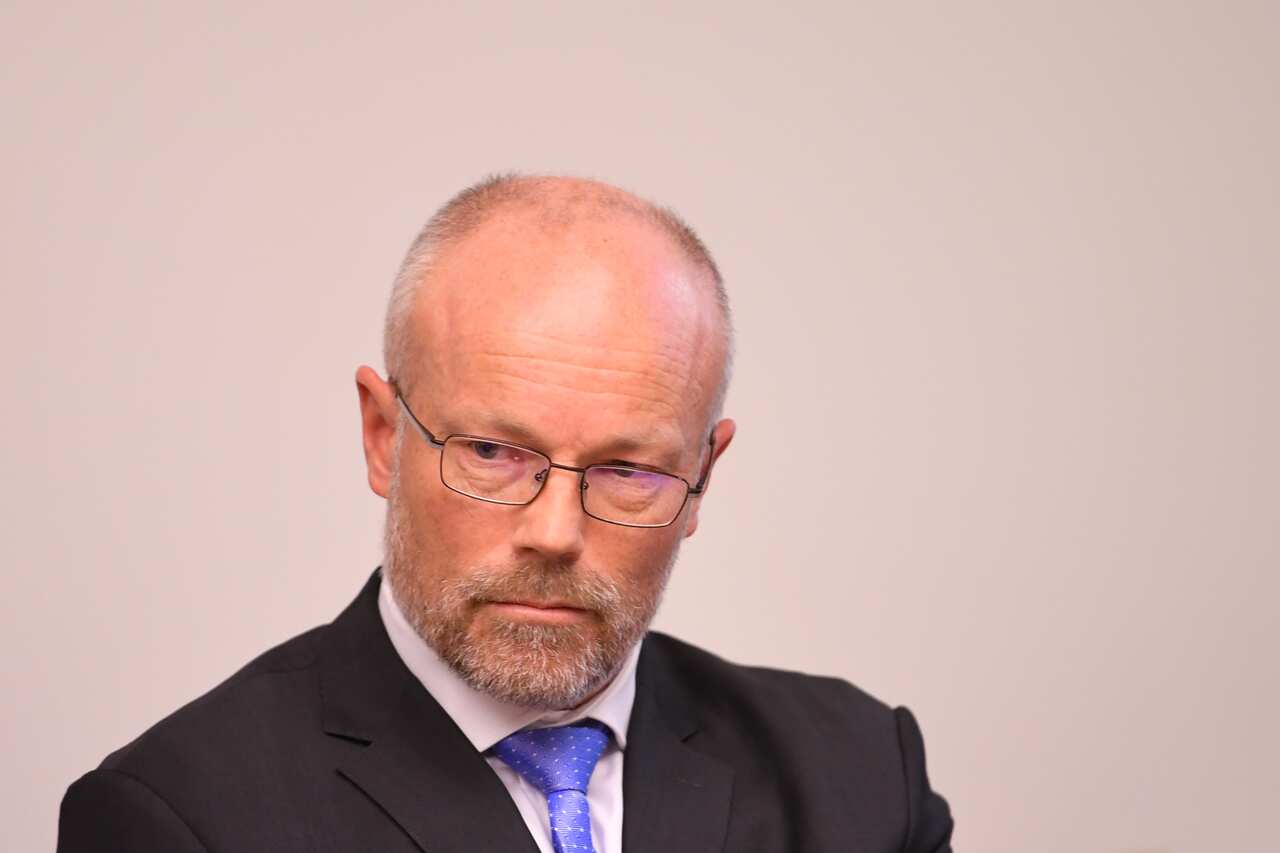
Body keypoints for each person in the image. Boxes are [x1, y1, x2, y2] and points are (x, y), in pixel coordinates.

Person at [57, 175, 954, 852]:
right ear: (382, 436)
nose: (555, 532)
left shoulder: (861, 779)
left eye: (628, 469)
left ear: (702, 480)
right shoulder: (182, 816)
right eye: (492, 452)